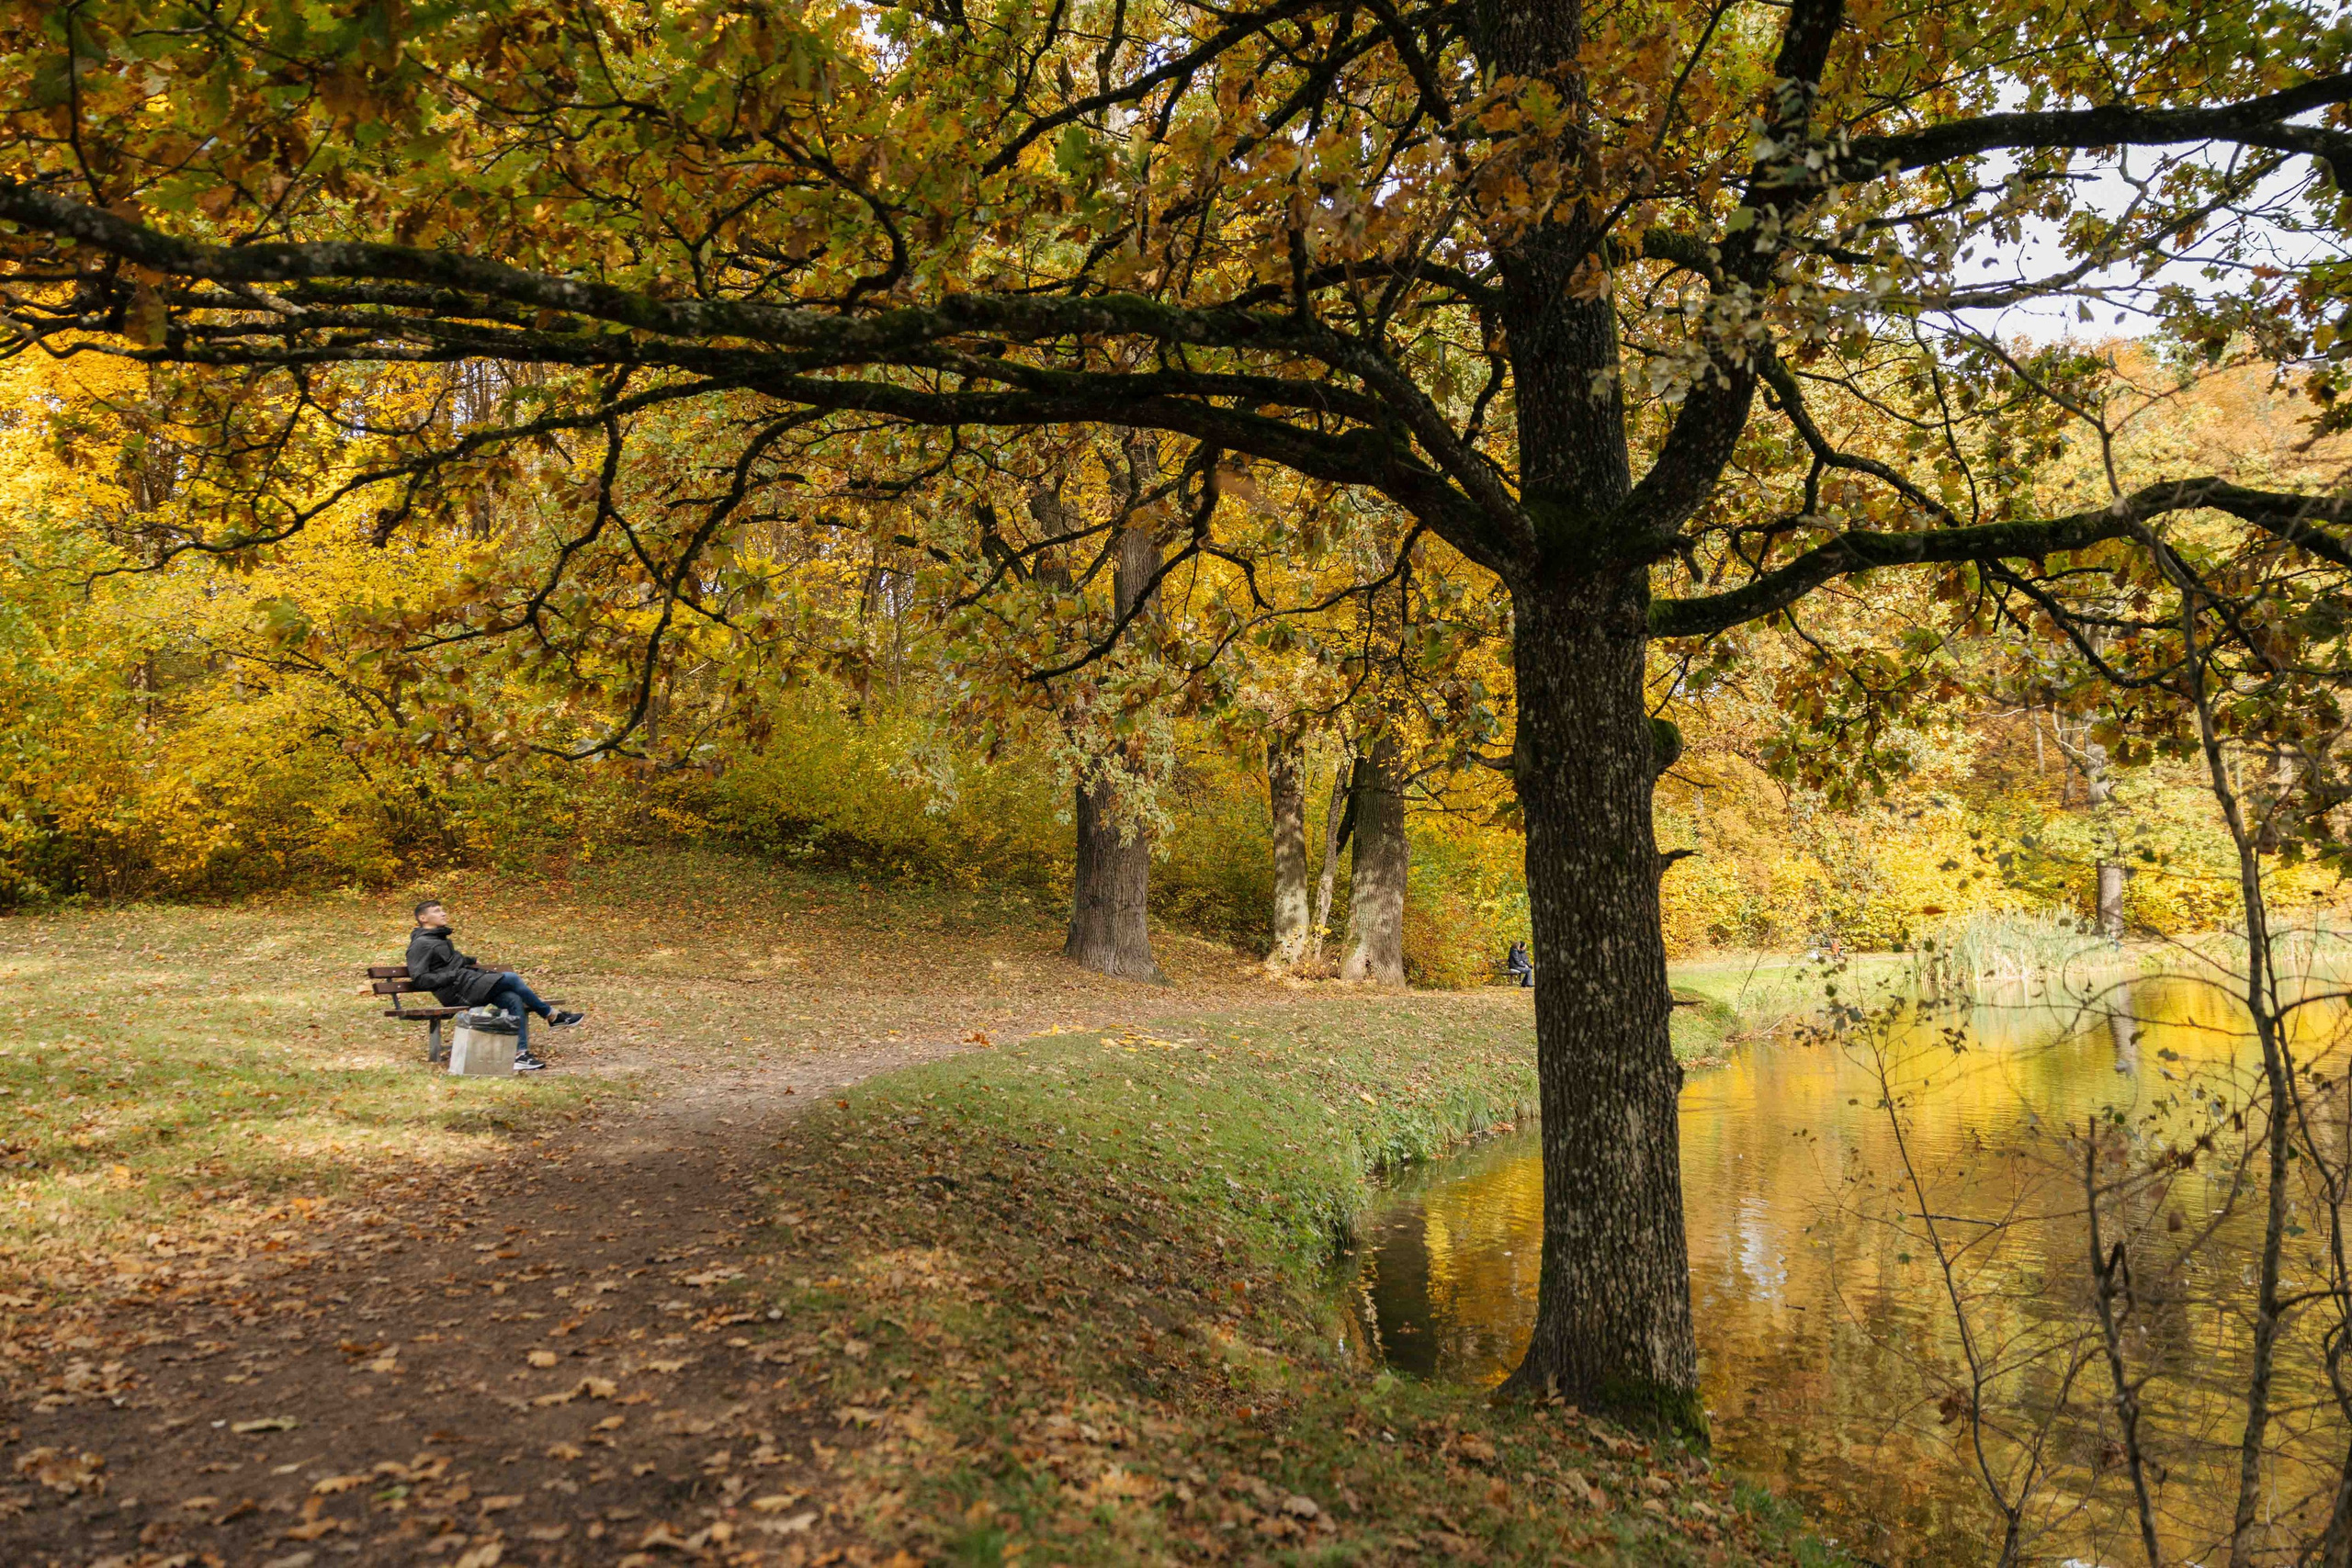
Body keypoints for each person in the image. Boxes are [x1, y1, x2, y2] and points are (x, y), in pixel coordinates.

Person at [405, 900, 583, 1072]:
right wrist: (454, 975)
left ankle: (520, 1055)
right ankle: (552, 1015)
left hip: (467, 985)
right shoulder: (420, 944)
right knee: (511, 978)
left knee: (512, 998)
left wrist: (470, 961)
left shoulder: (438, 938)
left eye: (442, 909)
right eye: (436, 911)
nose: (443, 913)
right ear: (423, 918)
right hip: (456, 992)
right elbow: (420, 979)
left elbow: (447, 962)